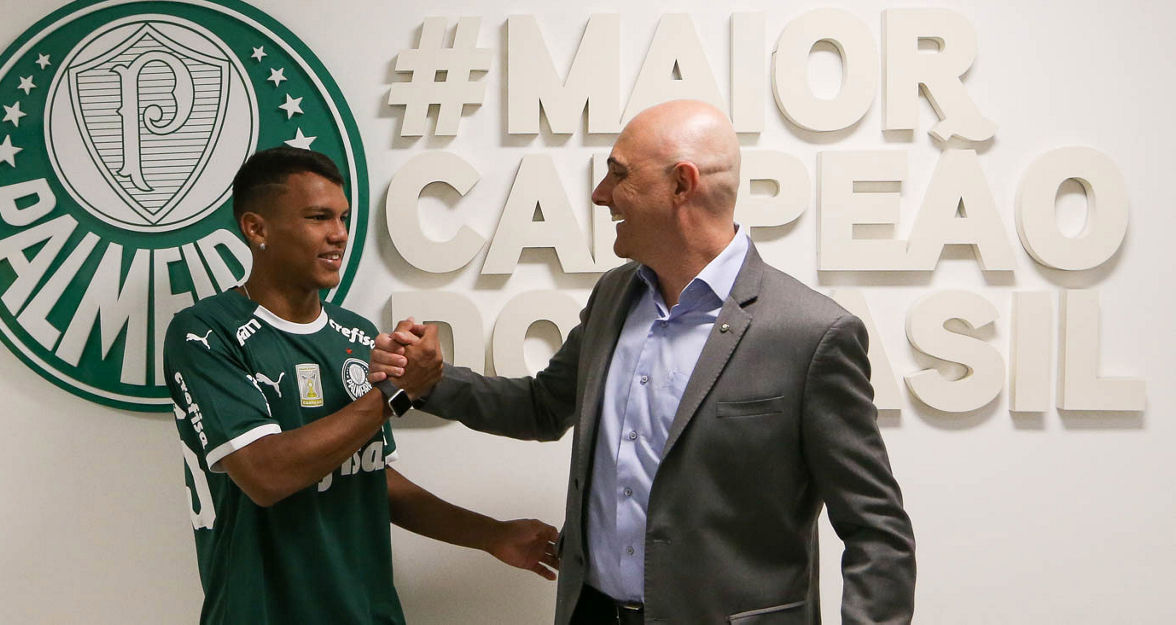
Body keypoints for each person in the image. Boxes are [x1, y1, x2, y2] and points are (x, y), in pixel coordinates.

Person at [371, 100, 916, 624]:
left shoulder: (812, 334)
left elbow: (876, 529)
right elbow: (542, 406)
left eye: (618, 174)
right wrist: (425, 380)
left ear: (682, 185)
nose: (600, 194)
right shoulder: (614, 297)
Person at [163, 146, 559, 625]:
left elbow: (370, 477)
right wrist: (395, 394)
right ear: (256, 228)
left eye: (343, 218)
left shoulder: (354, 336)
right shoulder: (206, 332)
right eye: (318, 217)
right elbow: (266, 476)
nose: (339, 234)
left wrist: (491, 535)